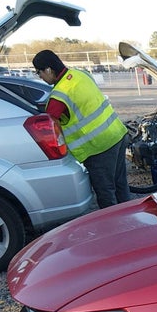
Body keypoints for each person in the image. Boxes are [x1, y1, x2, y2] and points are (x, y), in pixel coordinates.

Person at [32, 50, 131, 208]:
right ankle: (130, 221)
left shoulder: (59, 96)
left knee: (106, 192)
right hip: (117, 134)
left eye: (39, 72)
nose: (40, 77)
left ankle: (114, 227)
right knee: (120, 185)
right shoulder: (80, 74)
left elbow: (49, 126)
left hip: (98, 147)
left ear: (48, 69)